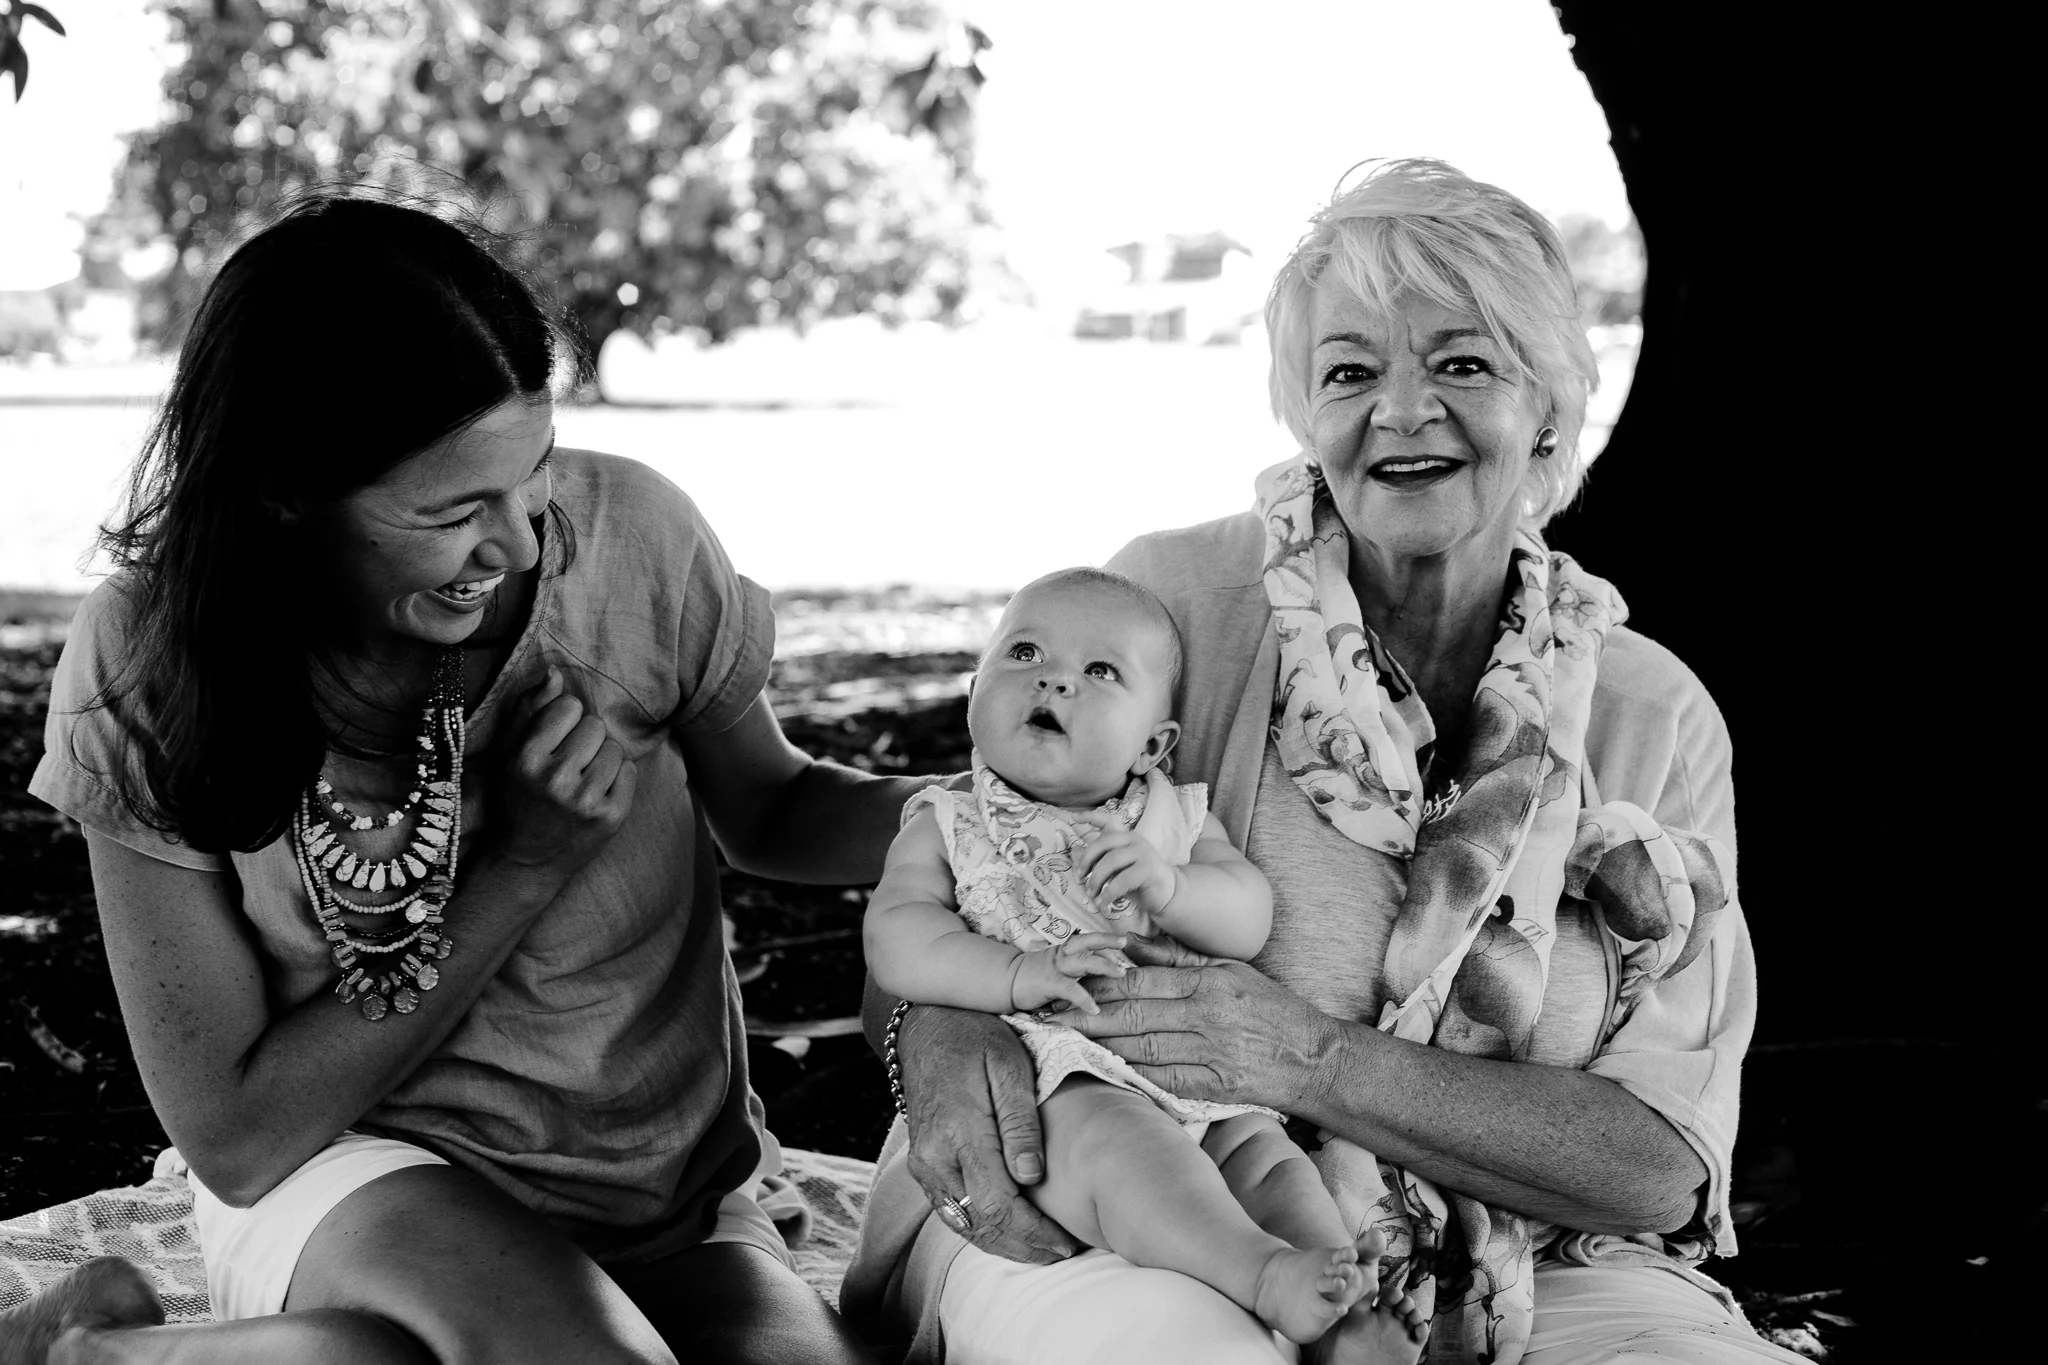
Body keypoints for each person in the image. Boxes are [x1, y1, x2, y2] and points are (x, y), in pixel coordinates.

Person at [844, 159, 1808, 1365]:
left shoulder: (1650, 715)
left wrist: (1309, 1061)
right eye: (1350, 372)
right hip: (1132, 1203)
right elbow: (947, 889)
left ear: (1550, 405)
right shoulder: (1167, 609)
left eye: (1460, 363)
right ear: (1305, 411)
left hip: (1529, 1266)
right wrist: (934, 1029)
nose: (1400, 410)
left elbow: (1657, 1168)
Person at [0, 192, 926, 1365]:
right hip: (348, 1167)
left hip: (664, 1198)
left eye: (532, 473)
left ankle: (98, 1355)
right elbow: (235, 1130)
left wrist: (998, 814)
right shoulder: (149, 655)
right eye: (453, 512)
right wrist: (525, 863)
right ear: (286, 491)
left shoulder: (633, 539)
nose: (524, 545)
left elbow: (776, 807)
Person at [863, 568, 1428, 1358]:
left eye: (1101, 672)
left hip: (1197, 1084)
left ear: (1153, 744)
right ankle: (1267, 1278)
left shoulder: (1171, 817)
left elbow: (1247, 915)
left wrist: (1173, 886)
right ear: (974, 689)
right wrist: (1018, 975)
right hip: (1056, 1082)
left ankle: (1331, 1298)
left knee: (1271, 1166)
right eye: (1024, 651)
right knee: (1128, 1152)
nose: (1055, 677)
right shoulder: (950, 821)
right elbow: (897, 938)